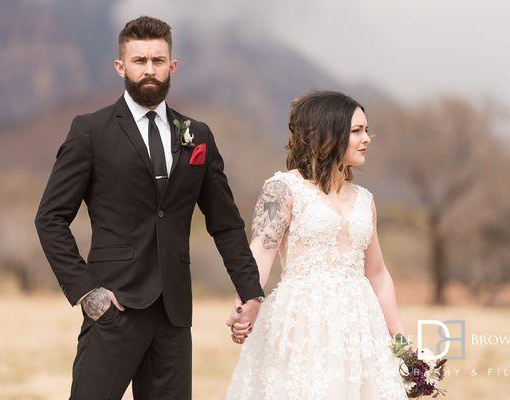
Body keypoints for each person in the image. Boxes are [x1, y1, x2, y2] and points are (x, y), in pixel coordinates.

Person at [35, 15, 264, 400]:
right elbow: (50, 218)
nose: (149, 70)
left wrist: (251, 292)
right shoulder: (90, 131)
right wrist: (87, 292)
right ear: (120, 67)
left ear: (172, 66)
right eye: (139, 61)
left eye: (158, 60)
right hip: (113, 308)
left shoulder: (198, 135)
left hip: (174, 315)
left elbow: (225, 224)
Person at [225, 91, 408, 399]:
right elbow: (260, 253)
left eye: (366, 130)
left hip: (359, 328)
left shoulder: (365, 200)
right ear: (328, 134)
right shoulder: (282, 189)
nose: (367, 139)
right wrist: (245, 303)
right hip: (303, 325)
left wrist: (400, 336)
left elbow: (377, 274)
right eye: (356, 131)